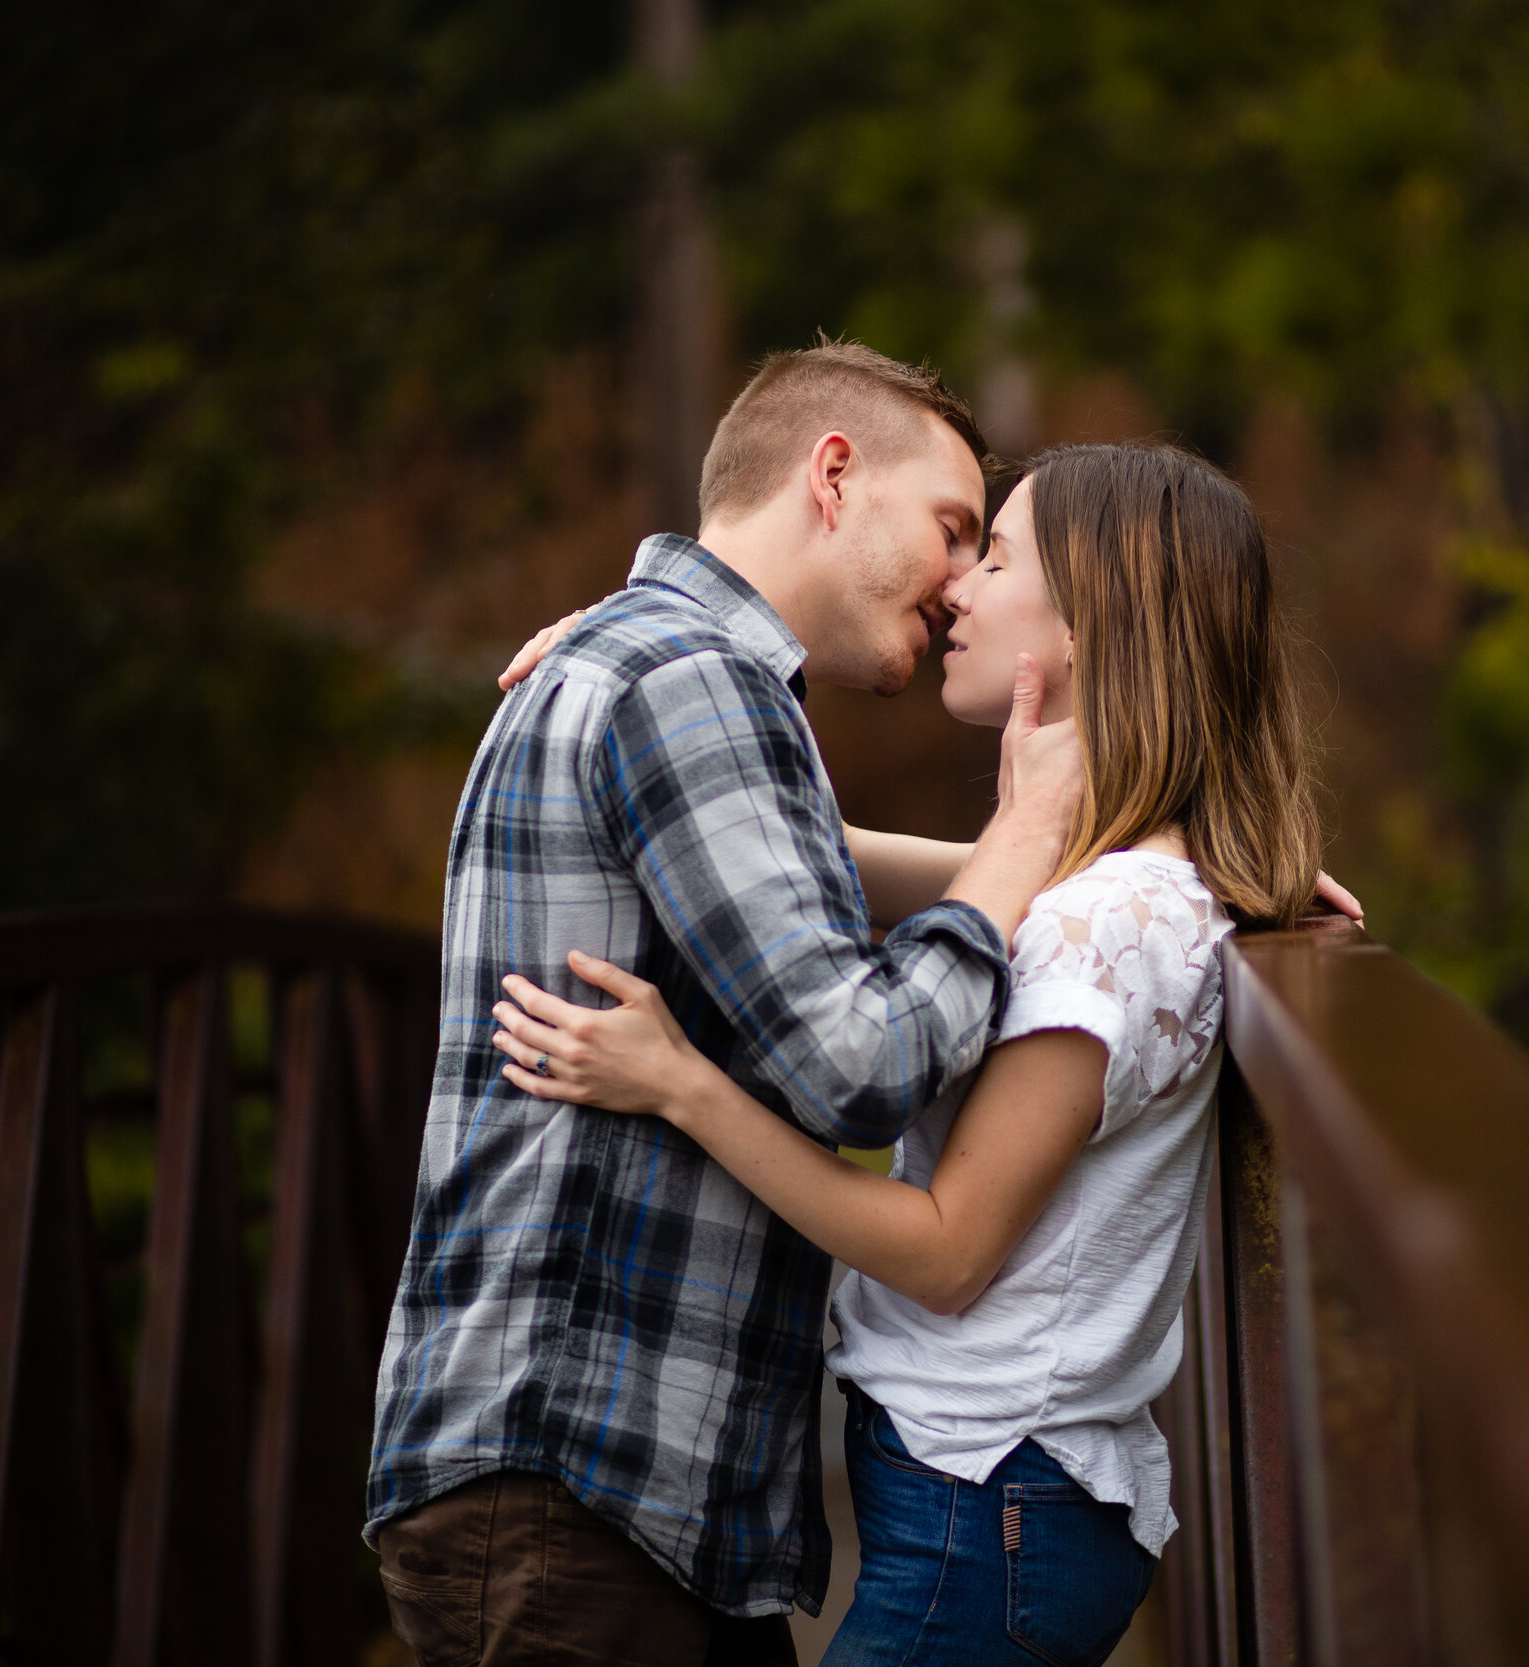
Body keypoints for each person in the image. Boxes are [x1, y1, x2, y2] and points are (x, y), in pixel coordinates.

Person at [490, 443, 1327, 1666]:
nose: (957, 588)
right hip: (978, 1505)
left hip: (991, 1516)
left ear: (1097, 617)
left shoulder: (1110, 924)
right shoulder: (1109, 893)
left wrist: (682, 1084)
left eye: (994, 556)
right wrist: (625, 666)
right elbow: (797, 843)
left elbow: (942, 1251)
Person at [365, 339, 1089, 1667]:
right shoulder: (684, 680)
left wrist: (1100, 849)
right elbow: (860, 1062)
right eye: (951, 528)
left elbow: (812, 881)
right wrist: (1024, 827)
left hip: (618, 1489)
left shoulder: (658, 666)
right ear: (831, 474)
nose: (960, 581)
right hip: (574, 1484)